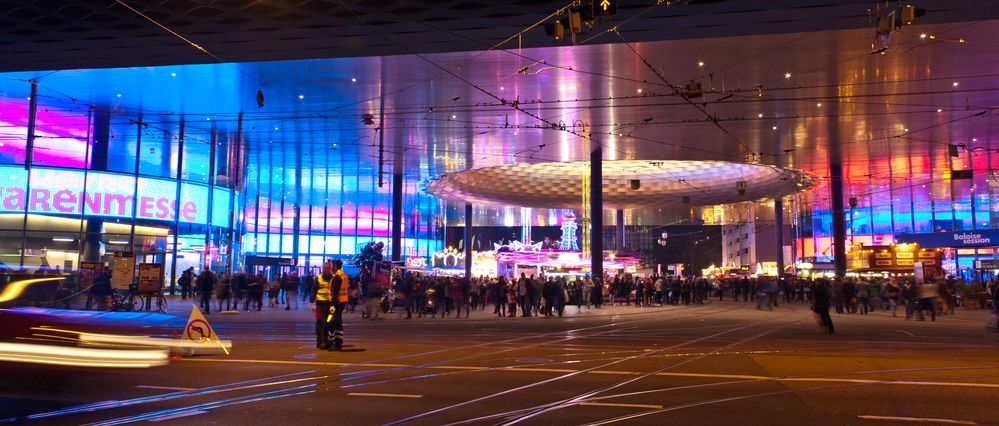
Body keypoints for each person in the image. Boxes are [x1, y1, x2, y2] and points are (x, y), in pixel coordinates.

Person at [312, 261, 335, 350]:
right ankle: (321, 342)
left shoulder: (333, 278)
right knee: (319, 322)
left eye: (327, 268)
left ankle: (328, 341)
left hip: (330, 305)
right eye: (325, 268)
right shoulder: (318, 278)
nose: (326, 270)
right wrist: (311, 301)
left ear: (330, 269)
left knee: (329, 321)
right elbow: (314, 289)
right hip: (320, 304)